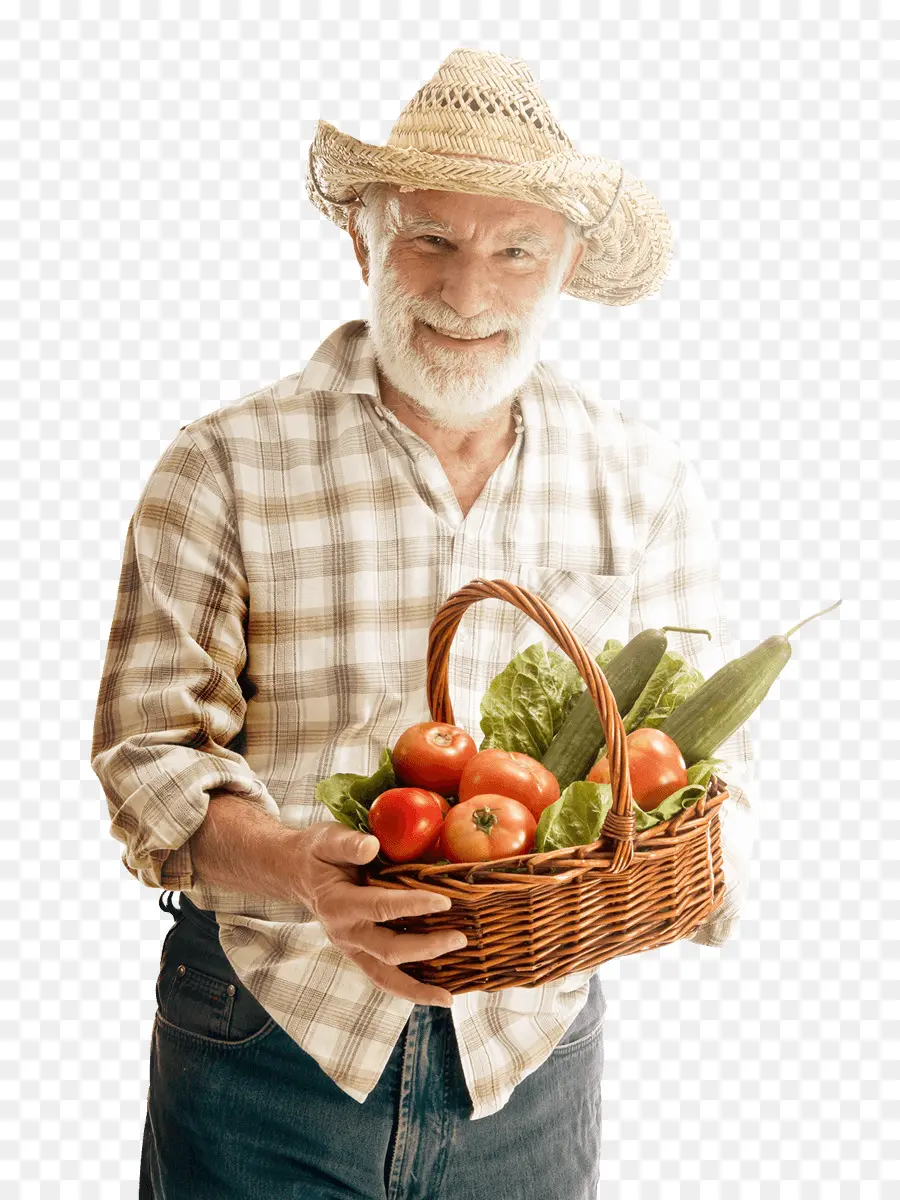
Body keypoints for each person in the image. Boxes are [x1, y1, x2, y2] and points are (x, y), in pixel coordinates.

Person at [91, 47, 756, 1200]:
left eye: (515, 251)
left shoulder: (639, 478)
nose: (467, 292)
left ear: (568, 266)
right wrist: (304, 869)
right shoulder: (222, 466)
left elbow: (693, 757)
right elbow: (148, 762)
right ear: (365, 240)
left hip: (529, 1063)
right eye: (431, 240)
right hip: (264, 1037)